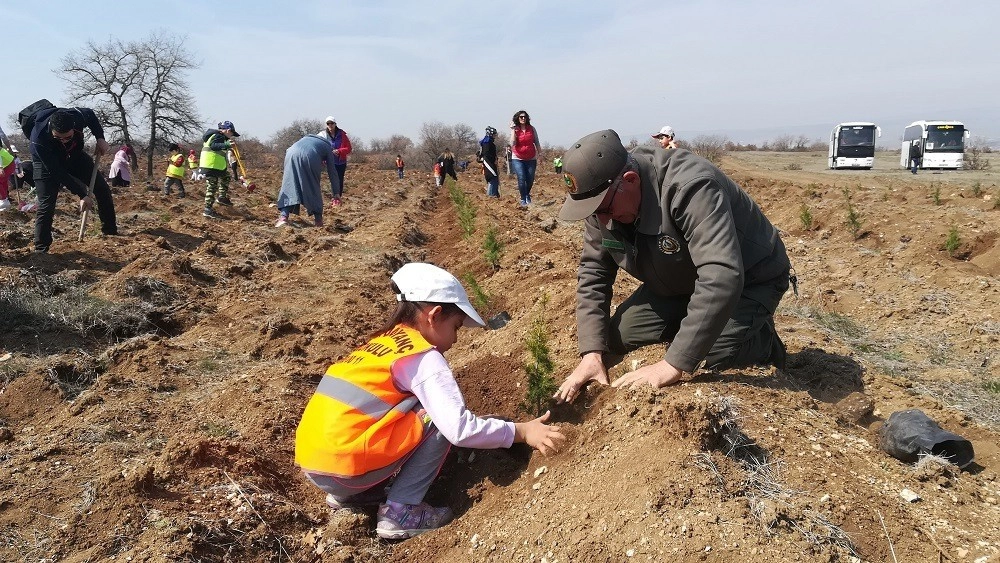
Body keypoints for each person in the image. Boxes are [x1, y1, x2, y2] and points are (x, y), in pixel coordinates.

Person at [294, 262, 565, 540]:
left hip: (319, 469)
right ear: (434, 316)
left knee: (411, 409)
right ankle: (401, 510)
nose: (456, 338)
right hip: (347, 471)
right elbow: (459, 429)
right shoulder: (423, 357)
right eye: (456, 326)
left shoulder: (381, 344)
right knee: (435, 416)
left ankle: (356, 496)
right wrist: (521, 431)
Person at [552, 129, 791, 404]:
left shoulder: (690, 186)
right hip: (677, 278)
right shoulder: (602, 202)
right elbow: (594, 272)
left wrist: (672, 364)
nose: (601, 220)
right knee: (616, 338)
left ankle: (761, 340)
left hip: (750, 279)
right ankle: (697, 321)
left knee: (710, 356)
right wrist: (591, 353)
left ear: (629, 180)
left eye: (603, 210)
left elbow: (721, 275)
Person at [27, 106, 118, 253]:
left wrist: (100, 137)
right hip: (47, 164)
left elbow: (91, 114)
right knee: (46, 203)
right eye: (58, 138)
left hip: (74, 155)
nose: (63, 141)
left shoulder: (77, 116)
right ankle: (41, 249)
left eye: (67, 137)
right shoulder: (38, 139)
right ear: (51, 129)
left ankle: (110, 232)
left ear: (73, 128)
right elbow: (56, 172)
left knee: (102, 189)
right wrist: (81, 194)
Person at [274, 134, 340, 228]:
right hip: (310, 156)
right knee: (313, 186)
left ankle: (283, 217)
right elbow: (332, 171)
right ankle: (318, 221)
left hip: (290, 154)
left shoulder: (305, 139)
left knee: (289, 184)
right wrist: (336, 192)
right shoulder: (327, 146)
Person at [199, 120, 239, 218]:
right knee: (212, 187)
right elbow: (214, 146)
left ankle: (222, 198)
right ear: (228, 130)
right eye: (232, 133)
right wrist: (226, 145)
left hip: (217, 167)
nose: (232, 135)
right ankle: (207, 209)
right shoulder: (218, 135)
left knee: (226, 177)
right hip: (210, 166)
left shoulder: (221, 137)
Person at [317, 116, 352, 206]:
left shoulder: (342, 135)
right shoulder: (323, 135)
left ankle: (338, 197)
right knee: (333, 179)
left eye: (332, 123)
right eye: (328, 123)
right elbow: (320, 147)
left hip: (341, 161)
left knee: (340, 179)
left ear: (335, 124)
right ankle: (334, 198)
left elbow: (348, 148)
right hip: (331, 161)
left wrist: (339, 151)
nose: (330, 125)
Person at [509, 110, 541, 206]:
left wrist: (540, 154)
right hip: (517, 157)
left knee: (530, 179)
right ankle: (523, 198)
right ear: (517, 119)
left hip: (531, 157)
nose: (523, 118)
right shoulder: (515, 129)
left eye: (525, 117)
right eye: (521, 117)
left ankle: (527, 195)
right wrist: (513, 130)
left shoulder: (531, 128)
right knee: (521, 178)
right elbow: (512, 143)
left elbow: (537, 142)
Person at [477, 126, 500, 198]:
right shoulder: (487, 142)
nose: (495, 136)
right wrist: (494, 159)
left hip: (491, 162)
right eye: (493, 134)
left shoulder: (489, 142)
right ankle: (490, 195)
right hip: (488, 162)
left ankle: (495, 194)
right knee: (492, 177)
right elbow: (486, 154)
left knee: (495, 178)